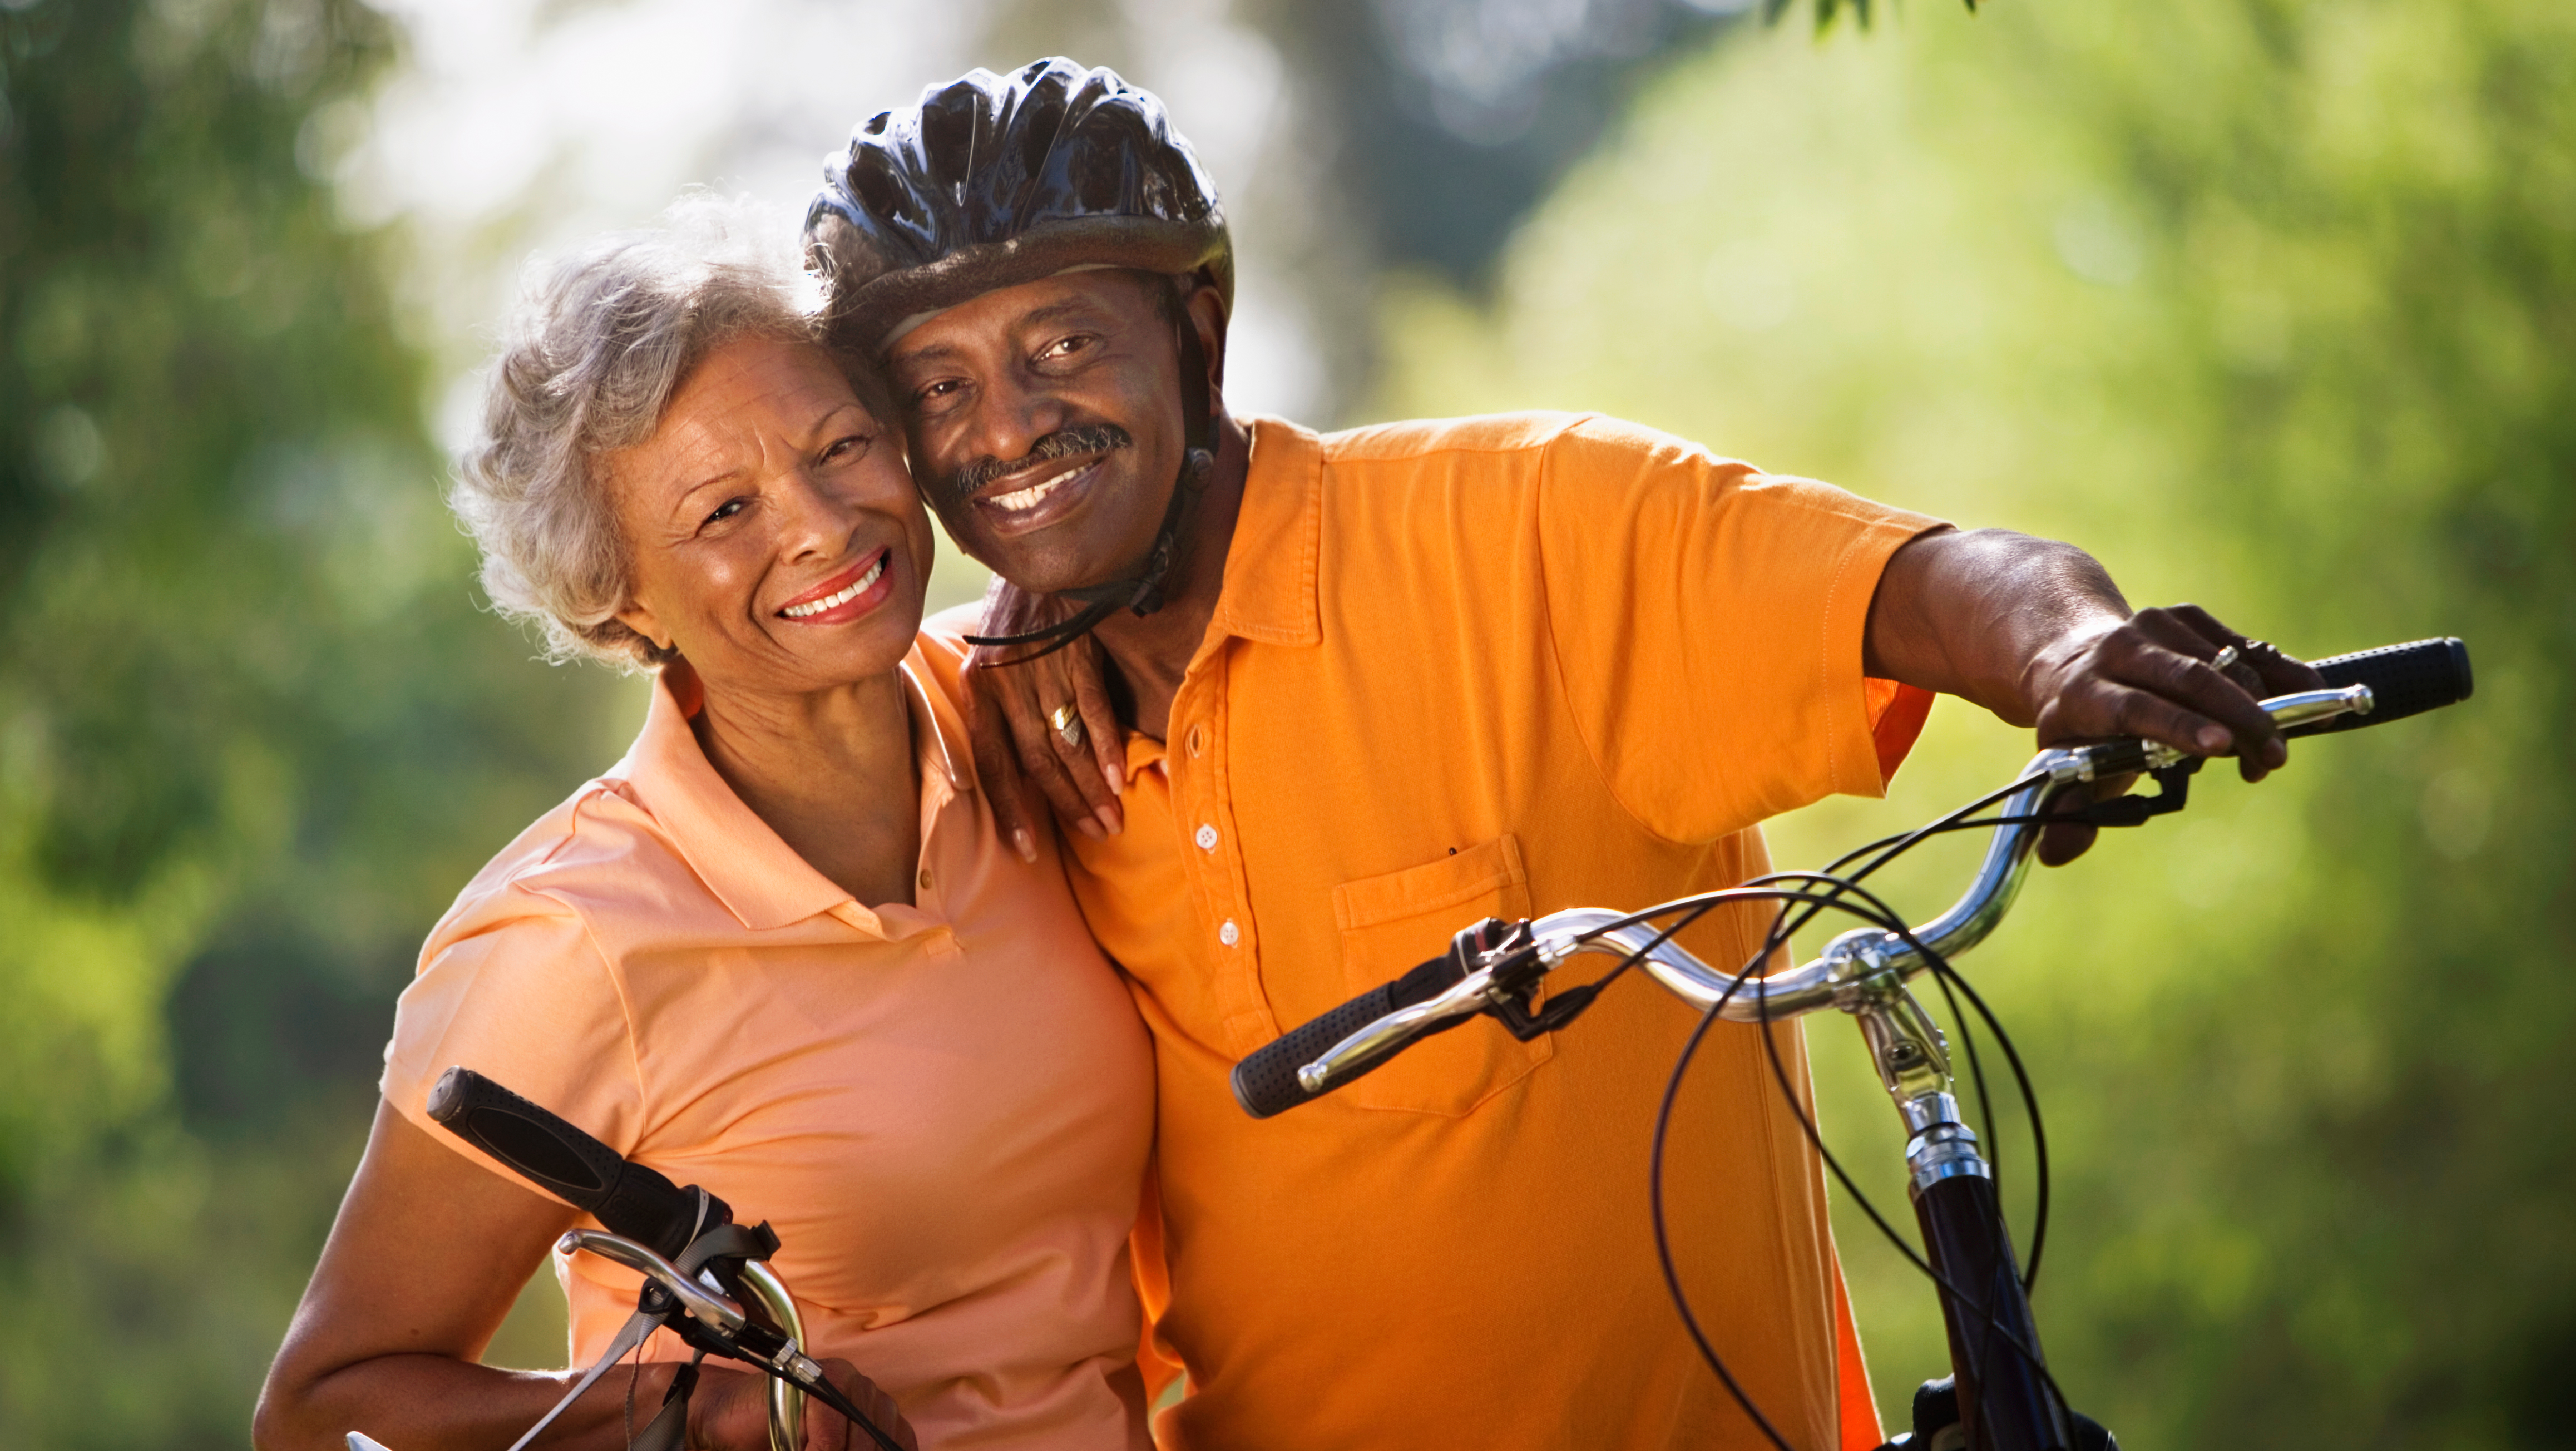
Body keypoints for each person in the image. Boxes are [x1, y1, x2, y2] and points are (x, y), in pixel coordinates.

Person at [804, 59, 2329, 1451]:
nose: (1008, 428)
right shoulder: (973, 721)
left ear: (1197, 333)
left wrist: (2061, 648)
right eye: (941, 388)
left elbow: (1925, 582)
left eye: (1065, 344)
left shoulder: (1527, 529)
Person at [253, 202, 1155, 1451]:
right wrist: (694, 1412)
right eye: (724, 513)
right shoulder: (570, 941)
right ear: (621, 598)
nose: (823, 524)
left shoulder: (1022, 712)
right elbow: (320, 1411)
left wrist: (1052, 605)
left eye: (840, 446)